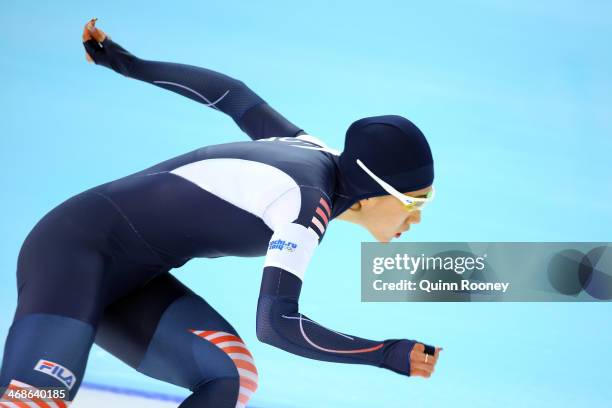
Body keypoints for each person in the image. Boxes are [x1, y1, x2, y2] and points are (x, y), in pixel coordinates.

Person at [0, 18, 441, 408]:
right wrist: (384, 353)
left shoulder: (314, 150)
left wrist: (128, 64)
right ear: (374, 192)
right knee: (36, 398)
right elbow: (277, 324)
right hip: (71, 253)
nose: (418, 217)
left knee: (228, 377)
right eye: (416, 201)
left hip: (133, 282)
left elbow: (233, 96)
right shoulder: (307, 204)